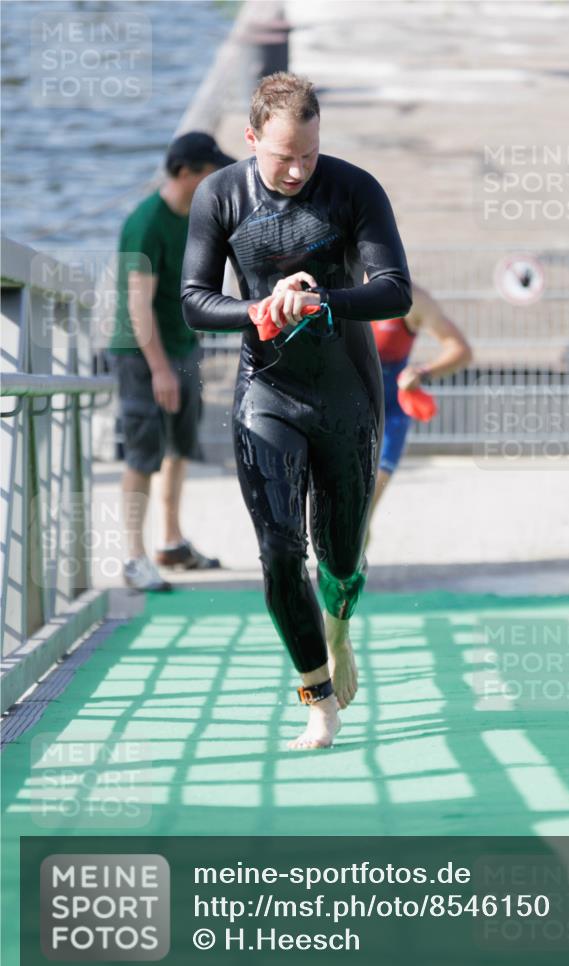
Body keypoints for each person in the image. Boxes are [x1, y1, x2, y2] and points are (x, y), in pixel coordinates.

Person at [181, 73, 411, 749]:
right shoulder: (219, 195)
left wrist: (321, 299)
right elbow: (195, 298)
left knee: (340, 555)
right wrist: (258, 308)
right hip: (267, 391)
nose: (296, 170)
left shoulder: (353, 188)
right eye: (283, 156)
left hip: (345, 392)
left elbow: (394, 291)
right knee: (280, 550)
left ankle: (338, 628)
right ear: (251, 139)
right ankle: (316, 699)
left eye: (308, 155)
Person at [109, 132, 235, 592]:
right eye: (208, 171)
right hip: (142, 354)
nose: (216, 178)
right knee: (142, 453)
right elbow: (137, 306)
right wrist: (160, 369)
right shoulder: (146, 222)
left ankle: (171, 540)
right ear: (185, 173)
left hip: (183, 346)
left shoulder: (195, 217)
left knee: (181, 448)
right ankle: (134, 557)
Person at [369, 283, 473, 519]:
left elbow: (461, 350)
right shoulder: (337, 286)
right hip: (345, 409)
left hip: (390, 412)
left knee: (365, 508)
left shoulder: (413, 298)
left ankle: (359, 551)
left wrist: (422, 372)